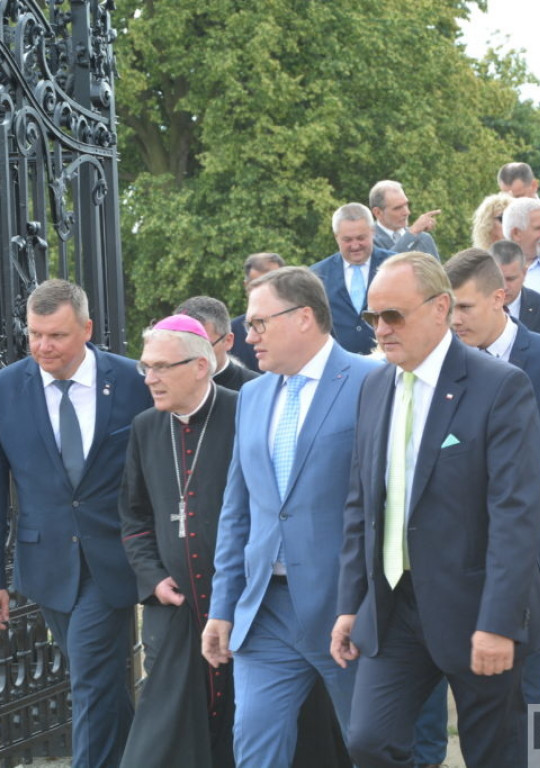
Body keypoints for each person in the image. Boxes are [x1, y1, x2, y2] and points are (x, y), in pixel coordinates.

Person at [332, 251, 540, 767]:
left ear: (440, 309)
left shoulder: (499, 386)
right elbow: (361, 504)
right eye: (373, 317)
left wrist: (498, 622)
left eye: (394, 315)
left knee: (495, 754)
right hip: (394, 608)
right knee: (369, 741)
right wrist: (351, 603)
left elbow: (516, 515)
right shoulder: (374, 386)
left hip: (477, 605)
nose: (381, 329)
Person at [0, 279, 152, 768]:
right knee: (101, 682)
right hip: (47, 563)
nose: (43, 346)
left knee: (92, 676)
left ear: (87, 330)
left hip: (114, 559)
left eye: (57, 335)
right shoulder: (2, 390)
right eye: (34, 334)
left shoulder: (134, 380)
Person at [202, 267, 378, 767]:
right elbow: (239, 511)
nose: (249, 336)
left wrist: (366, 604)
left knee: (370, 746)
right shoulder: (253, 396)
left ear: (304, 317)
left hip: (345, 610)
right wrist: (222, 607)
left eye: (259, 323)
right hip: (264, 613)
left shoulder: (371, 381)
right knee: (254, 745)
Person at [446, 248, 540, 708]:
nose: (454, 319)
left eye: (465, 307)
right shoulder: (444, 362)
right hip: (464, 544)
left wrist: (522, 485)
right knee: (483, 680)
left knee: (527, 685)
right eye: (447, 306)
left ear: (500, 297)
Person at [119, 315, 238, 768]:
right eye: (145, 367)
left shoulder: (243, 410)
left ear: (200, 366)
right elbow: (133, 516)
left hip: (239, 602)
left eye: (162, 367)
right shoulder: (146, 427)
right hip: (174, 607)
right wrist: (153, 578)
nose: (150, 378)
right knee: (163, 735)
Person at [310, 203, 395, 354]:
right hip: (339, 368)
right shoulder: (317, 275)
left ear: (373, 232)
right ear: (336, 237)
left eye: (361, 238)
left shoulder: (396, 267)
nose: (355, 245)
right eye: (347, 240)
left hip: (389, 362)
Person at [176, 296, 258, 391]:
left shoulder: (256, 389)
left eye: (202, 347)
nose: (189, 356)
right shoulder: (161, 386)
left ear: (228, 341)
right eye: (181, 347)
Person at [492, 239, 540, 338]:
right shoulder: (474, 308)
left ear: (524, 272)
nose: (504, 287)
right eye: (498, 279)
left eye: (510, 279)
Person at [231, 253, 285, 372]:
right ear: (246, 286)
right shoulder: (231, 334)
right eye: (259, 285)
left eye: (273, 283)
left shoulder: (300, 326)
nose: (267, 290)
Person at [369, 180, 441, 258]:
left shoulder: (424, 238)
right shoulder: (367, 240)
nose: (407, 212)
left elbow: (437, 270)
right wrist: (412, 233)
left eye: (406, 205)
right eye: (398, 208)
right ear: (378, 213)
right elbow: (383, 266)